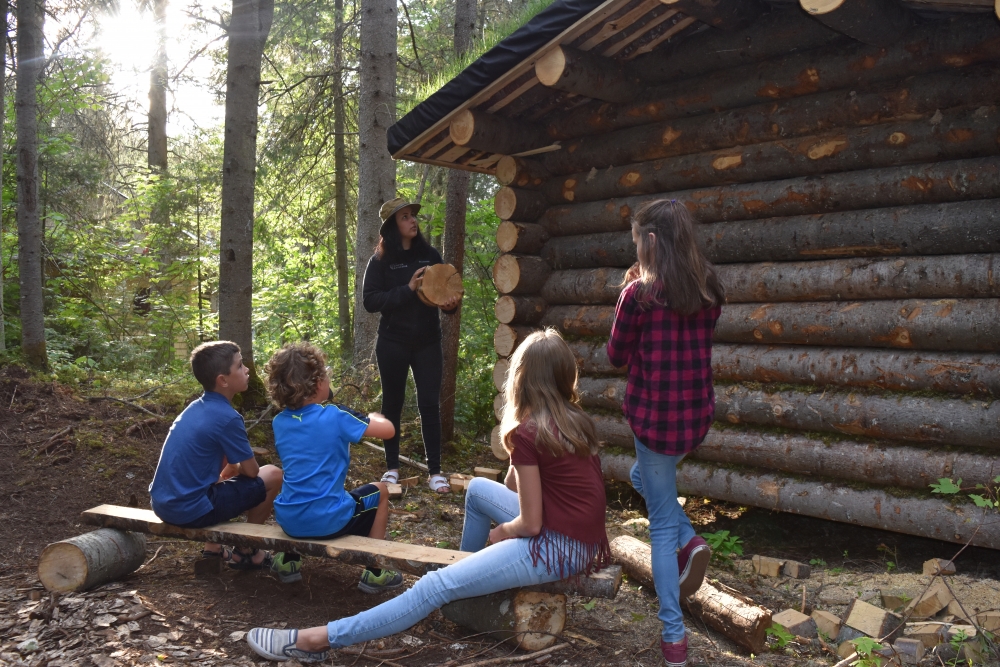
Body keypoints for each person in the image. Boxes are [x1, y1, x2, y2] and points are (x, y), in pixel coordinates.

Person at [245, 329, 610, 663]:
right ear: (565, 376)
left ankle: (315, 641)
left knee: (435, 585)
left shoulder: (529, 433)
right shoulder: (574, 420)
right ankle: (467, 583)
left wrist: (504, 532)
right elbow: (524, 490)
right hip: (578, 539)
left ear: (521, 379)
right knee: (479, 488)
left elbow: (529, 524)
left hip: (556, 544)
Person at [606, 199, 726, 667]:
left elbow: (616, 355)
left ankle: (673, 640)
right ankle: (690, 539)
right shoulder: (709, 288)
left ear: (651, 241)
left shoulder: (639, 295)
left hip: (655, 423)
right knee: (646, 480)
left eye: (636, 239)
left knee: (658, 522)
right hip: (692, 420)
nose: (634, 248)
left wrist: (632, 295)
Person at [263, 342, 401, 590]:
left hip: (289, 519)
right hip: (329, 521)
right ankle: (376, 572)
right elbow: (388, 431)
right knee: (380, 490)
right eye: (326, 374)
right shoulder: (335, 415)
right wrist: (376, 417)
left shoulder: (279, 422)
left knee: (303, 489)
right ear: (317, 384)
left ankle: (288, 561)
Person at [149, 341, 284, 570]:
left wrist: (232, 469)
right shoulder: (228, 418)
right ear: (223, 380)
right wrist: (238, 469)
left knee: (222, 478)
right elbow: (252, 472)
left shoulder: (194, 409)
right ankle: (247, 550)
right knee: (273, 474)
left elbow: (225, 465)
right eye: (240, 366)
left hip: (162, 504)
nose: (247, 369)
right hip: (190, 511)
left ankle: (213, 549)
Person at [362, 197, 460, 494]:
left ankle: (435, 472)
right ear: (393, 226)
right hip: (392, 342)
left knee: (429, 404)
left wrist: (450, 306)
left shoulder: (429, 254)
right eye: (405, 217)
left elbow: (442, 295)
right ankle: (392, 468)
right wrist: (407, 289)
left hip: (427, 342)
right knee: (392, 404)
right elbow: (370, 301)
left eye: (412, 216)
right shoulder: (380, 261)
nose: (413, 221)